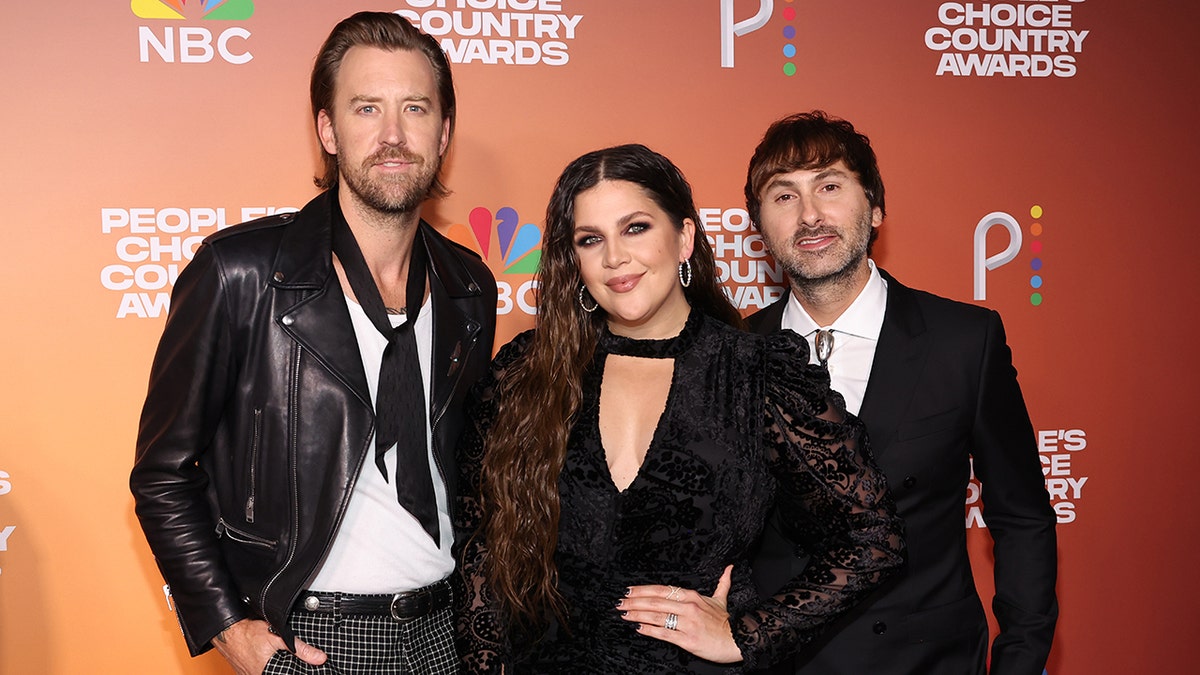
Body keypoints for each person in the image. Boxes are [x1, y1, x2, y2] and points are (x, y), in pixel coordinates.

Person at [129, 12, 496, 675]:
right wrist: (229, 626)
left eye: (415, 108)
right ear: (328, 129)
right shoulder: (239, 273)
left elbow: (466, 470)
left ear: (443, 133)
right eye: (366, 108)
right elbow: (162, 474)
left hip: (449, 633)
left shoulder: (469, 284)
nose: (392, 135)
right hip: (314, 642)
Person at [452, 144, 905, 673]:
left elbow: (873, 536)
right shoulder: (525, 374)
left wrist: (749, 635)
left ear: (684, 237)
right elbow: (479, 548)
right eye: (590, 239)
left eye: (636, 228)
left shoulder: (757, 375)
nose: (615, 257)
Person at [744, 111, 1057, 675]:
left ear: (876, 207)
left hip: (928, 660)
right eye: (784, 196)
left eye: (830, 187)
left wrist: (1019, 662)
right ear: (760, 227)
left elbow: (1022, 516)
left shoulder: (965, 341)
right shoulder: (734, 354)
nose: (810, 214)